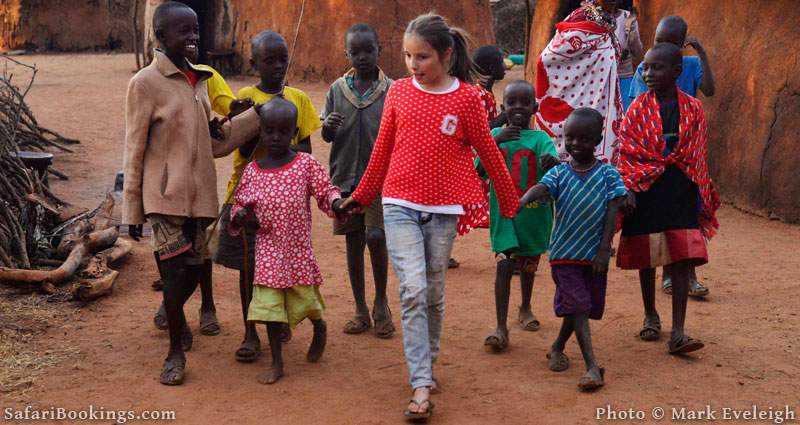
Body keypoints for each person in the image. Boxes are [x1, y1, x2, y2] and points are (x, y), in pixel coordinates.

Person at [339, 13, 518, 419]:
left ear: (447, 55)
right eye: (407, 56)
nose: (413, 65)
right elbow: (382, 150)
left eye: (422, 56)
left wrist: (510, 202)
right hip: (398, 204)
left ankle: (428, 364)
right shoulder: (399, 93)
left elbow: (488, 152)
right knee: (414, 290)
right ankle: (420, 383)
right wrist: (363, 195)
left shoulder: (467, 99)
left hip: (443, 211)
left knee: (434, 293)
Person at [123, 1, 259, 385]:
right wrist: (132, 209)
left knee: (198, 268)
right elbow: (133, 149)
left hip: (200, 196)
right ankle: (175, 352)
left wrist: (255, 116)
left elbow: (214, 143)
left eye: (196, 30)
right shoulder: (145, 83)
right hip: (163, 197)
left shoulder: (199, 81)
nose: (193, 37)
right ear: (161, 37)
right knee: (173, 272)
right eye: (183, 31)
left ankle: (174, 315)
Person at [215, 30, 321, 364]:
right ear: (254, 62)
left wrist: (278, 132)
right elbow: (240, 148)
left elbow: (304, 149)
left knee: (283, 265)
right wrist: (251, 119)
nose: (277, 67)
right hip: (245, 196)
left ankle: (279, 319)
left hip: (284, 203)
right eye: (269, 60)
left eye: (282, 60)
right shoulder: (245, 96)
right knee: (248, 268)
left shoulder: (298, 99)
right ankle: (250, 331)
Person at [229, 98, 350, 385]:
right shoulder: (253, 171)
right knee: (270, 309)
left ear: (294, 132)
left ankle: (319, 327)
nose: (275, 138)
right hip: (268, 250)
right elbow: (239, 204)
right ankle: (277, 362)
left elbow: (325, 191)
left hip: (297, 250)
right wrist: (241, 216)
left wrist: (338, 203)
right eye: (269, 131)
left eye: (283, 132)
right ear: (260, 131)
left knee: (306, 302)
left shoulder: (304, 164)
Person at [616, 43, 720, 355]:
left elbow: (696, 155)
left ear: (677, 72)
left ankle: (678, 331)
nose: (648, 73)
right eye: (645, 68)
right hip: (645, 188)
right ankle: (650, 315)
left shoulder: (694, 109)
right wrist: (629, 189)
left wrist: (698, 189)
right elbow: (628, 154)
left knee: (680, 256)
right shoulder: (636, 110)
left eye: (657, 68)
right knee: (646, 257)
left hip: (680, 188)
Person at [519, 107, 628, 391]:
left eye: (584, 138)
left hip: (594, 254)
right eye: (570, 137)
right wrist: (521, 201)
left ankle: (557, 347)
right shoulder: (558, 173)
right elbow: (541, 188)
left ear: (597, 139)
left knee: (581, 306)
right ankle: (593, 366)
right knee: (578, 305)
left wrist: (605, 250)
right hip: (564, 255)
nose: (575, 144)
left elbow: (617, 205)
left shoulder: (607, 174)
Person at [152, 62, 252, 334]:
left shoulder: (205, 76)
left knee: (202, 246)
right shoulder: (150, 80)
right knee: (166, 248)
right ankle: (174, 306)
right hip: (164, 178)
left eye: (193, 31)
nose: (190, 39)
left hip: (198, 177)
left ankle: (207, 305)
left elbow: (226, 106)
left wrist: (234, 114)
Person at [627, 15, 716, 297]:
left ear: (680, 47)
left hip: (684, 156)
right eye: (657, 41)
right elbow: (640, 118)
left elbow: (710, 90)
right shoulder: (646, 72)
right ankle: (665, 284)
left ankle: (685, 276)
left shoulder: (690, 67)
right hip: (653, 160)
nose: (650, 71)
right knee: (656, 226)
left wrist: (701, 53)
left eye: (668, 43)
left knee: (685, 223)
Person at [321, 24, 394, 338]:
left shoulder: (392, 89)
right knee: (354, 242)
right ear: (346, 53)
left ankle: (381, 301)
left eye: (368, 50)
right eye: (356, 51)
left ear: (380, 50)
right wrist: (329, 127)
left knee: (377, 237)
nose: (362, 56)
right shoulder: (338, 90)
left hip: (380, 178)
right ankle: (360, 308)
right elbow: (326, 134)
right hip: (346, 177)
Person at [477, 80, 559, 352]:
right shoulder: (495, 136)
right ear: (503, 107)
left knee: (528, 265)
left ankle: (525, 306)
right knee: (504, 263)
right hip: (503, 214)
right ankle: (501, 327)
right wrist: (493, 141)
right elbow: (478, 171)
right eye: (512, 103)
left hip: (533, 214)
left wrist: (551, 163)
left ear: (535, 107)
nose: (518, 108)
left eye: (525, 103)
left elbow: (552, 168)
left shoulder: (541, 139)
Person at [535, 0, 623, 165]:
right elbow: (547, 59)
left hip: (601, 100)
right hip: (576, 96)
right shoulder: (581, 16)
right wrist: (578, 72)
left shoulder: (608, 18)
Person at [611, 0, 643, 111]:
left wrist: (631, 33)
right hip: (612, 77)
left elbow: (637, 51)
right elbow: (637, 51)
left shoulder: (628, 18)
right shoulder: (627, 18)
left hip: (620, 76)